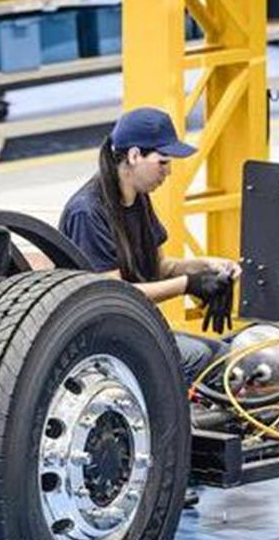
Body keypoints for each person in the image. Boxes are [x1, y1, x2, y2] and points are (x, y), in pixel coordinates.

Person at [59, 106, 241, 384]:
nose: (168, 172)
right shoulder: (88, 212)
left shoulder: (137, 199)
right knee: (205, 361)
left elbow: (161, 267)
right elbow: (114, 295)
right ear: (134, 156)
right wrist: (188, 285)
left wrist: (209, 265)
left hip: (133, 327)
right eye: (163, 162)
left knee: (230, 352)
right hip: (98, 340)